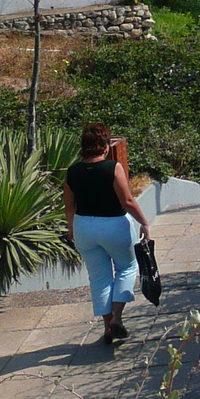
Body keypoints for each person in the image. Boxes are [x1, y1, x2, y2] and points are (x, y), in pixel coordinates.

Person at [64, 124, 149, 345]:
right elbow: (127, 201)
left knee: (99, 278)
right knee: (127, 267)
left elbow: (69, 206)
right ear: (104, 146)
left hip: (84, 226)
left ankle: (107, 328)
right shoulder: (113, 168)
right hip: (113, 225)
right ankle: (117, 318)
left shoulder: (72, 172)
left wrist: (71, 228)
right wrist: (144, 222)